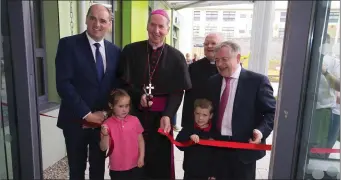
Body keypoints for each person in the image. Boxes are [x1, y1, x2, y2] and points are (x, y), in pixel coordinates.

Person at [117, 9, 192, 179]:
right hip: (134, 115)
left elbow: (177, 91)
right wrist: (138, 96)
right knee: (134, 159)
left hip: (161, 120)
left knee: (160, 164)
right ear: (147, 26)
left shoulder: (177, 57)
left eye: (161, 27)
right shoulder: (131, 51)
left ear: (167, 29)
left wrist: (168, 115)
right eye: (152, 25)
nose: (156, 31)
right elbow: (123, 83)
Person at [55, 4, 121, 180]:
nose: (97, 24)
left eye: (102, 20)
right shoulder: (68, 45)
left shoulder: (115, 51)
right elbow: (63, 84)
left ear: (109, 25)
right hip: (75, 122)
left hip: (102, 123)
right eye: (93, 18)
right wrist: (86, 114)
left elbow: (117, 87)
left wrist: (107, 113)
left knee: (98, 170)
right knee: (76, 171)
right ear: (86, 19)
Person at [202, 41, 276, 180]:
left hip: (244, 149)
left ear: (238, 58)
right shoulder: (212, 82)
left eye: (224, 59)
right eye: (217, 60)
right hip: (217, 148)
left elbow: (271, 113)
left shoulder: (257, 81)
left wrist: (260, 131)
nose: (219, 64)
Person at [100, 89, 145, 180]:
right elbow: (103, 148)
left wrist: (142, 157)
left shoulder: (135, 120)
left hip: (135, 165)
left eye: (127, 106)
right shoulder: (107, 124)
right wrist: (105, 135)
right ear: (111, 106)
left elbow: (140, 140)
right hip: (117, 168)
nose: (124, 109)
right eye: (120, 106)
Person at [182, 33, 223, 128]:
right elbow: (188, 97)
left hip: (218, 122)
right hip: (196, 122)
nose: (209, 46)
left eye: (213, 43)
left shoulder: (226, 68)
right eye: (206, 44)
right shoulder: (193, 67)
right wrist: (187, 124)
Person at [176, 99, 216, 180]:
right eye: (197, 114)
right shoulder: (189, 128)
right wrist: (189, 138)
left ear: (211, 116)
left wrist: (214, 174)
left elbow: (218, 156)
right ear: (194, 113)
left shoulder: (215, 133)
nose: (200, 118)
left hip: (207, 175)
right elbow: (178, 144)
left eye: (204, 115)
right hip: (189, 173)